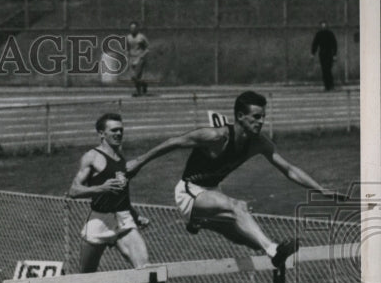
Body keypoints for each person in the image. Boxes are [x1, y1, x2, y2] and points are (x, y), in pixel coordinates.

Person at [126, 90, 338, 271]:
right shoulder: (215, 137)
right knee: (239, 207)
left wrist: (319, 188)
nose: (261, 121)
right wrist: (138, 161)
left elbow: (289, 169)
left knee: (248, 241)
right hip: (189, 192)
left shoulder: (258, 143)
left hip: (212, 192)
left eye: (263, 116)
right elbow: (174, 142)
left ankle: (198, 222)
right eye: (255, 117)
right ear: (240, 116)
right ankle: (274, 251)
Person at [57, 113, 151, 283]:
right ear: (101, 134)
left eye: (121, 130)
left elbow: (122, 193)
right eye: (113, 130)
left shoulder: (120, 156)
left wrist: (136, 216)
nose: (119, 133)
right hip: (99, 222)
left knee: (145, 268)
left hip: (123, 220)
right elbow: (74, 191)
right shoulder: (92, 157)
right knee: (85, 276)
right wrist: (102, 187)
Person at [311, 21, 338, 91]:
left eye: (324, 26)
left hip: (329, 53)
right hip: (322, 54)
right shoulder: (319, 34)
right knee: (324, 70)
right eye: (322, 26)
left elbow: (334, 44)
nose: (323, 27)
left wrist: (334, 54)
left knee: (328, 69)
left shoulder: (330, 34)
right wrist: (313, 53)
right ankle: (327, 86)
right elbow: (315, 44)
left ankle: (331, 85)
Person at [126, 21, 150, 97]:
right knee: (133, 77)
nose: (132, 29)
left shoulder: (141, 37)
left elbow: (147, 48)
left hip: (140, 58)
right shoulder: (128, 37)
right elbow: (127, 48)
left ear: (137, 28)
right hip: (131, 58)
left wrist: (142, 55)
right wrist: (127, 56)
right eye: (131, 28)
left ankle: (139, 92)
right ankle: (144, 85)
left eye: (134, 28)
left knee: (136, 76)